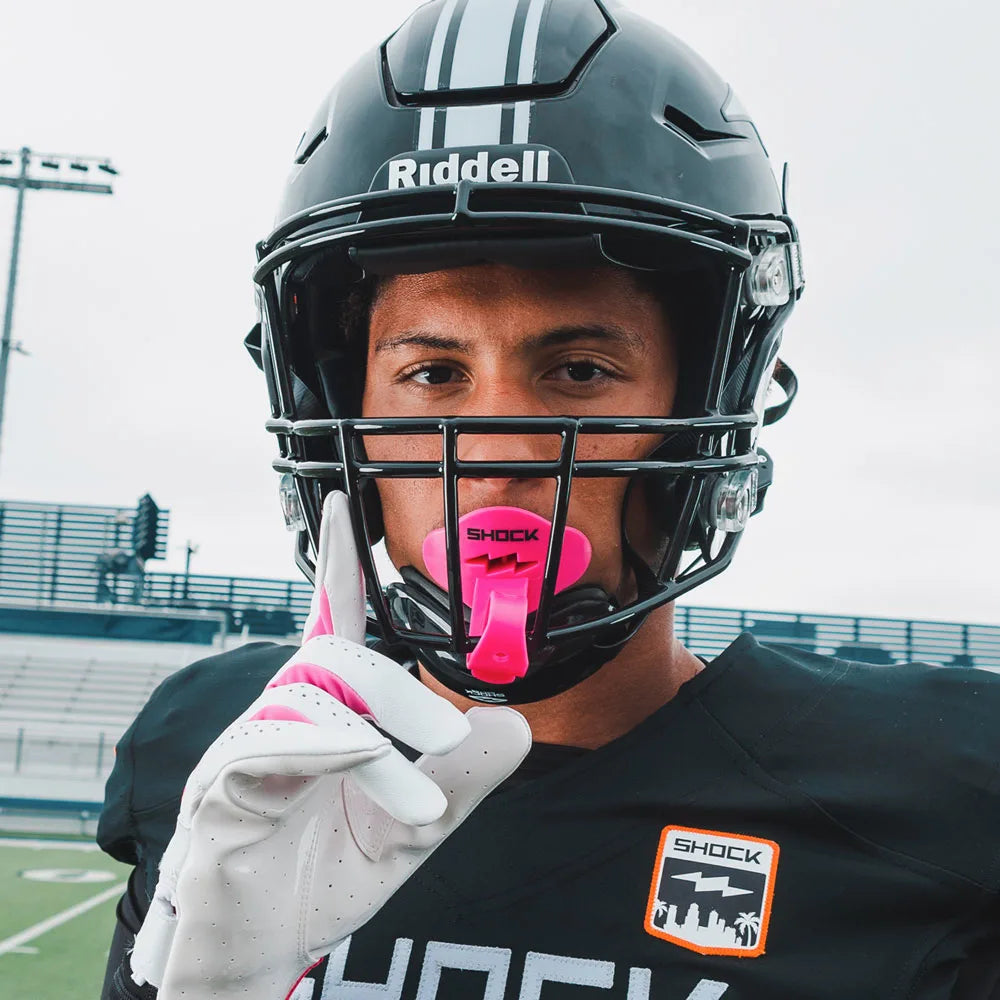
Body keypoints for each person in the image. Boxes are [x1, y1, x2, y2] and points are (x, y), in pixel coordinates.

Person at [98, 1, 1000, 998]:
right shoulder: (225, 751)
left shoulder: (936, 806)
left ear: (702, 403)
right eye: (433, 374)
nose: (494, 453)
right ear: (334, 407)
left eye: (577, 369)